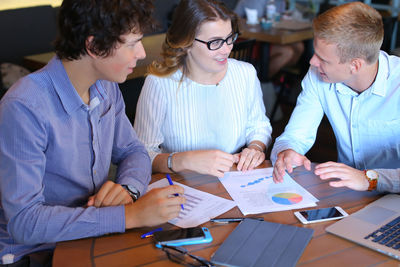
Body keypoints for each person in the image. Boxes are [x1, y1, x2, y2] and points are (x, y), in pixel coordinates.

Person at [0, 0, 185, 265]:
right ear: (94, 46)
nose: (142, 53)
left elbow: (134, 151)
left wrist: (128, 190)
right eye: (132, 44)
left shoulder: (105, 87)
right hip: (33, 252)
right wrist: (130, 216)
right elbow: (26, 222)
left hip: (92, 234)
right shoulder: (24, 106)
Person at [271, 2, 400, 193]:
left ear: (354, 66)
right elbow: (296, 136)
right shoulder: (318, 73)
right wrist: (286, 152)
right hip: (346, 193)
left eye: (323, 59)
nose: (312, 61)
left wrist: (370, 180)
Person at [134, 0, 272, 178]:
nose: (227, 49)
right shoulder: (159, 84)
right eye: (215, 42)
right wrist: (185, 160)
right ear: (186, 43)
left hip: (234, 181)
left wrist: (255, 148)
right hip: (183, 188)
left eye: (230, 38)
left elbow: (259, 126)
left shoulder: (245, 74)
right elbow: (140, 156)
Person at [234, 0, 305, 79]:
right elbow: (254, 25)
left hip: (266, 39)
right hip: (246, 42)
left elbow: (278, 20)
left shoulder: (281, 2)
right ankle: (260, 83)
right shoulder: (255, 1)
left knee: (299, 46)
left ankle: (277, 79)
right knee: (287, 52)